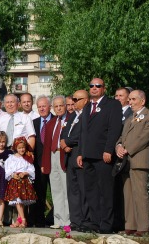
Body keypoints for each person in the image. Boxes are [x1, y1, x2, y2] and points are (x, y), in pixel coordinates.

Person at [77, 78, 122, 234]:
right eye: (91, 86)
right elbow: (83, 132)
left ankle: (106, 223)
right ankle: (96, 221)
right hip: (88, 155)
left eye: (98, 86)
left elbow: (114, 129)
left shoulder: (112, 105)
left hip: (103, 155)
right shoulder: (88, 106)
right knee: (91, 191)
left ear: (104, 88)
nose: (94, 88)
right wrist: (81, 153)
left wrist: (109, 149)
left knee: (106, 191)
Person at [115, 90, 149, 237]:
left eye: (133, 99)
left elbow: (143, 138)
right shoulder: (129, 119)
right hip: (126, 161)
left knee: (140, 194)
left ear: (142, 101)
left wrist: (127, 149)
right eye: (130, 99)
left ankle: (143, 227)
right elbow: (121, 137)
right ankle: (131, 225)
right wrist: (118, 147)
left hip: (138, 160)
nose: (130, 102)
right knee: (128, 195)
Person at [60, 90, 89, 232]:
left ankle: (85, 220)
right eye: (74, 99)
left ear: (86, 100)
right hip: (69, 157)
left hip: (79, 154)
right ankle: (75, 221)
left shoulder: (87, 114)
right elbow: (64, 132)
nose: (74, 101)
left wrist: (67, 142)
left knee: (83, 190)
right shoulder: (72, 116)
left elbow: (82, 134)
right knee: (73, 191)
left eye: (77, 99)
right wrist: (63, 142)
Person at [42, 96, 70, 229]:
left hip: (63, 155)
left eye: (61, 105)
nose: (59, 108)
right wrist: (44, 163)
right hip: (52, 155)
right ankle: (58, 220)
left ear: (65, 106)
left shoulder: (71, 120)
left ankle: (68, 221)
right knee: (56, 189)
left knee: (66, 189)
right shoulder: (51, 123)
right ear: (53, 108)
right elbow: (46, 145)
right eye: (56, 106)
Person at [29, 95, 54, 228]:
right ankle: (39, 220)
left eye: (44, 106)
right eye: (39, 107)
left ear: (49, 106)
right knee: (39, 192)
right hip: (38, 164)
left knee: (56, 193)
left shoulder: (57, 120)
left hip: (55, 163)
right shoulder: (34, 123)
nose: (42, 108)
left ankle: (55, 219)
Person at [4, 137, 37, 228]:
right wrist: (12, 174)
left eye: (23, 147)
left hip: (24, 182)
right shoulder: (11, 159)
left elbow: (31, 169)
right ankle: (23, 219)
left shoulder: (27, 158)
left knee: (21, 201)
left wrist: (25, 173)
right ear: (16, 148)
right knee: (18, 200)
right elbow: (7, 170)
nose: (21, 149)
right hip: (15, 182)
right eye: (19, 148)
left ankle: (20, 220)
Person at [113, 86, 132, 232]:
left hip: (126, 156)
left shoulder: (132, 113)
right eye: (116, 95)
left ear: (128, 97)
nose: (117, 98)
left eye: (121, 95)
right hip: (113, 156)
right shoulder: (113, 113)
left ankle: (127, 222)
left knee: (126, 192)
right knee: (115, 191)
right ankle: (117, 221)